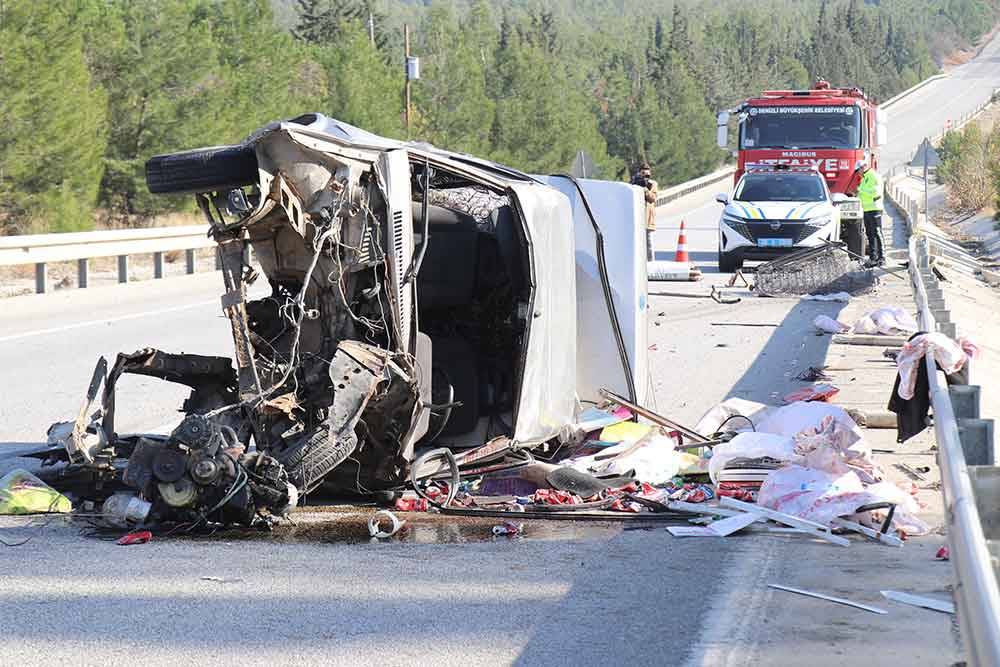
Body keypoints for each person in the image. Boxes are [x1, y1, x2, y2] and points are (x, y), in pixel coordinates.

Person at [855, 159, 884, 266]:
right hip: (866, 209)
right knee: (870, 234)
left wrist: (860, 191)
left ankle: (882, 258)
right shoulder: (864, 179)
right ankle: (873, 258)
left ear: (863, 167)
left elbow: (876, 193)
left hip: (875, 208)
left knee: (877, 233)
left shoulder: (874, 176)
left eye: (858, 170)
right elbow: (862, 194)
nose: (857, 172)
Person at [631, 162, 659, 261]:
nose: (645, 177)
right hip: (637, 219)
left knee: (649, 245)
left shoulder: (652, 184)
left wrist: (645, 189)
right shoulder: (635, 184)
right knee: (637, 245)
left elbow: (652, 198)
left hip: (648, 220)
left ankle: (651, 264)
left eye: (647, 175)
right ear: (639, 173)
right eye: (643, 174)